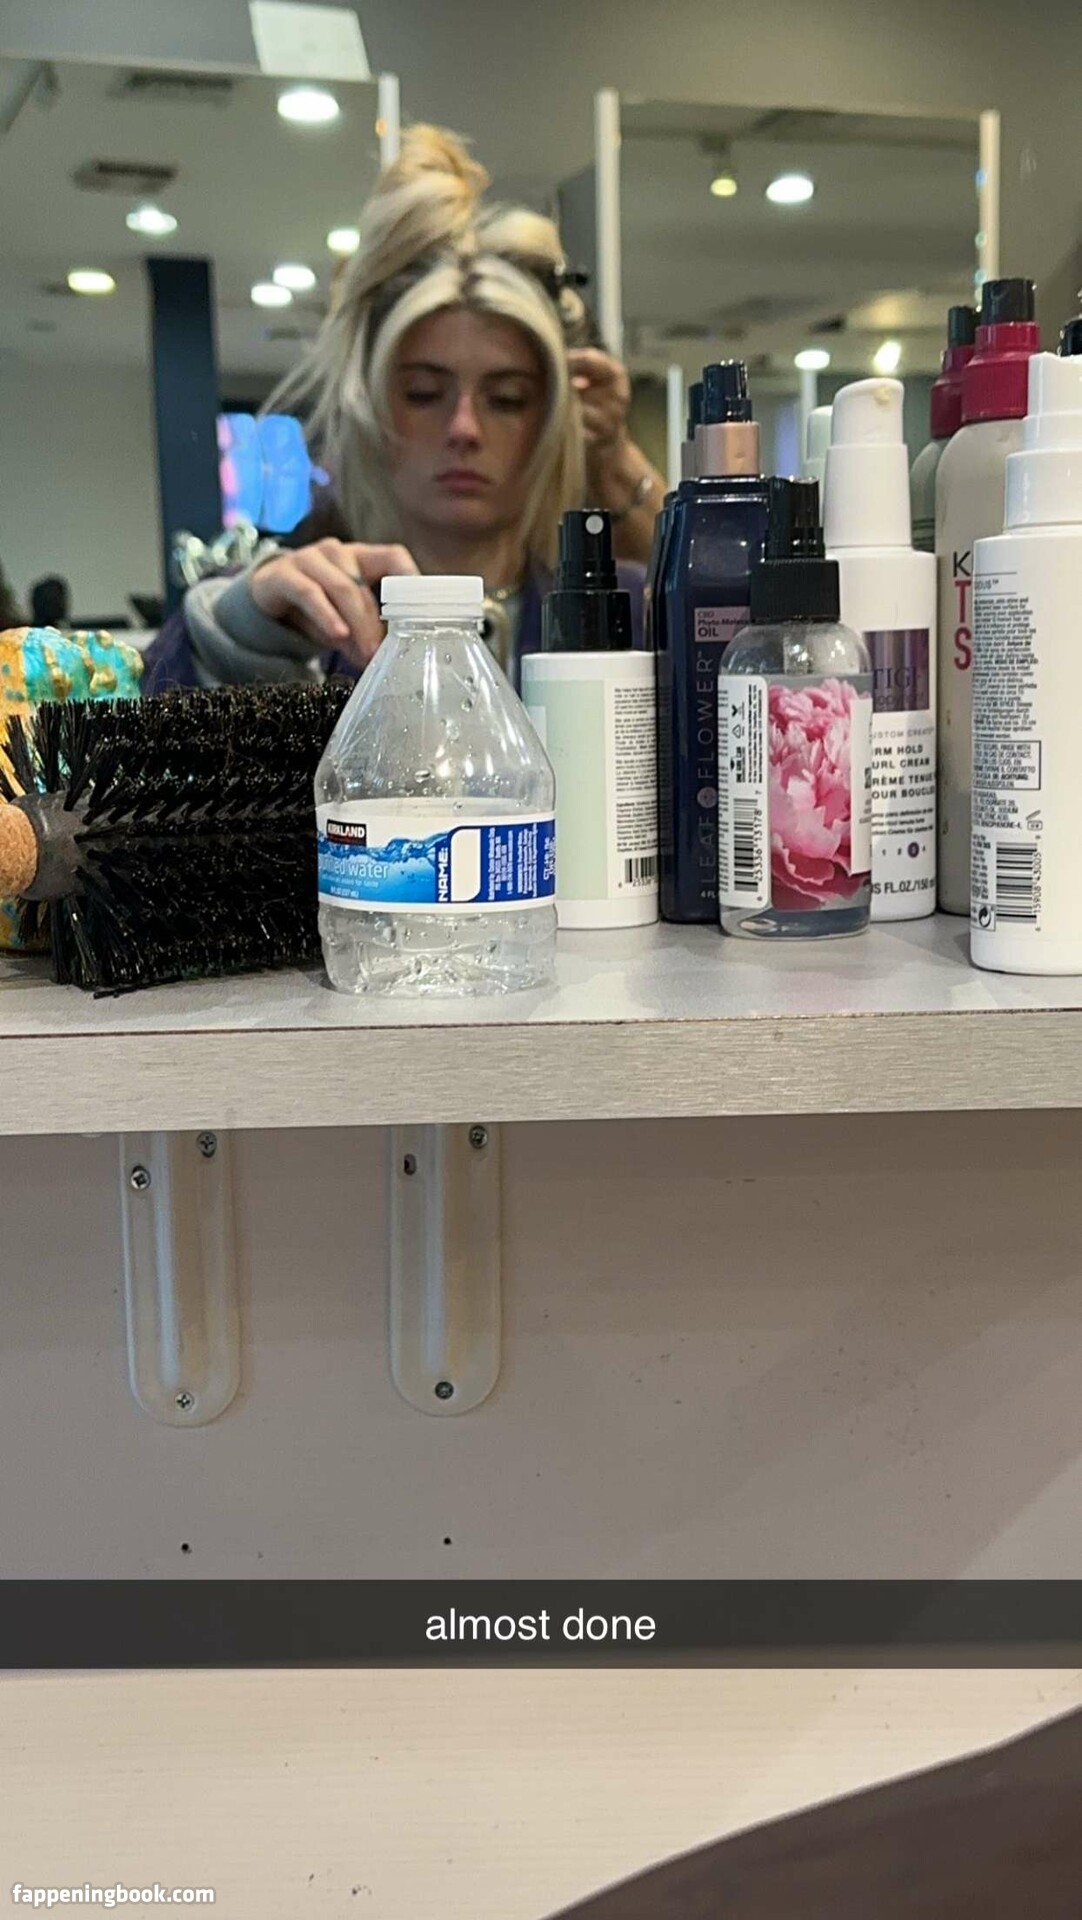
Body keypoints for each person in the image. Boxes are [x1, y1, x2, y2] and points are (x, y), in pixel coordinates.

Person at [143, 125, 664, 696]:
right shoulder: (299, 624)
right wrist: (237, 635)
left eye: (507, 399)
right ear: (371, 405)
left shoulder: (632, 621)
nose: (464, 429)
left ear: (550, 418)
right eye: (422, 393)